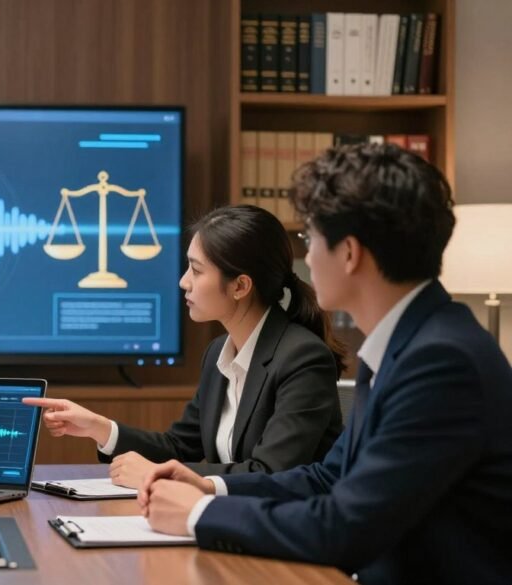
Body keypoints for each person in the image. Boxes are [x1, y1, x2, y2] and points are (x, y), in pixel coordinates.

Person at [138, 143, 512, 585]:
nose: (307, 256)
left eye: (310, 239)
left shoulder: (441, 362)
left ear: (349, 253)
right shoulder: (406, 344)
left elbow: (345, 528)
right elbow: (327, 476)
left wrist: (200, 514)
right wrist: (211, 486)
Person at [25, 205, 345, 487]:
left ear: (240, 286)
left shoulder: (302, 358)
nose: (183, 281)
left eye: (196, 269)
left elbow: (273, 472)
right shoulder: (219, 352)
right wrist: (101, 429)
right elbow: (180, 447)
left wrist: (158, 473)